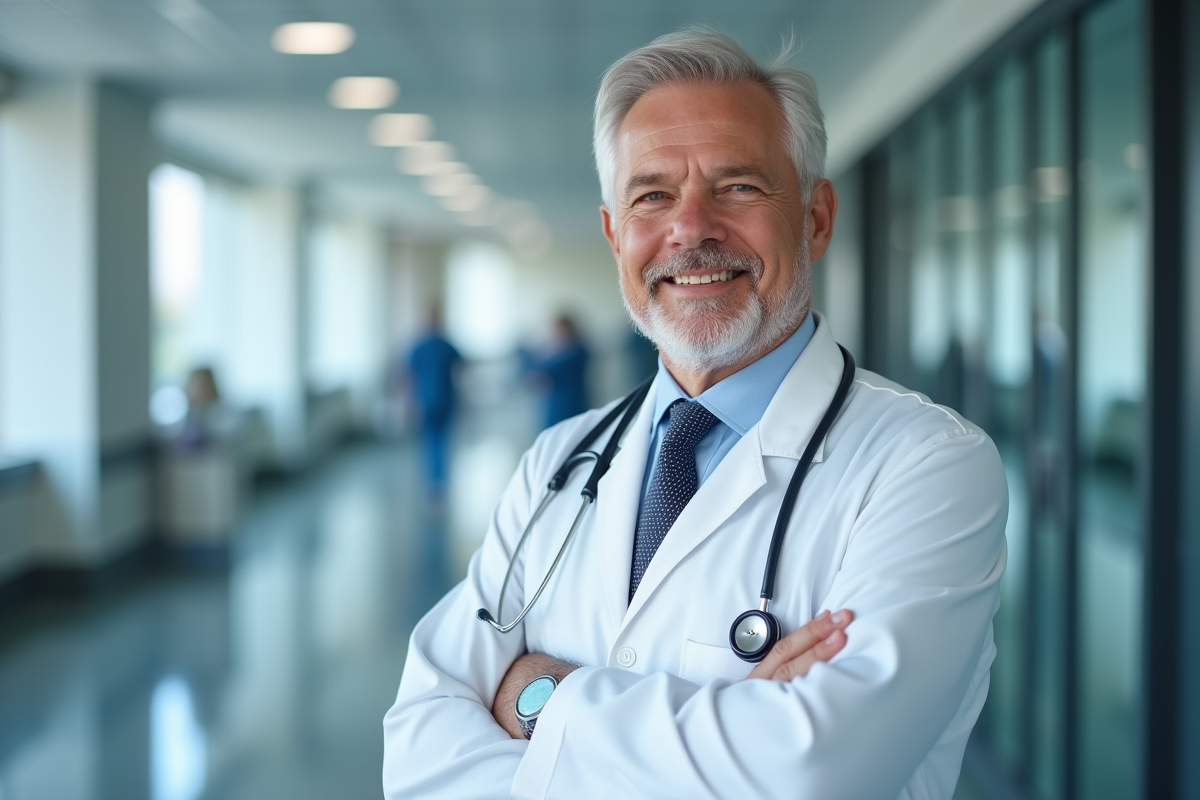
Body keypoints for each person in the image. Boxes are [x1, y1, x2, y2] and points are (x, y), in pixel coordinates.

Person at [383, 28, 1007, 800]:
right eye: (652, 195)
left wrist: (535, 695)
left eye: (738, 186)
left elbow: (812, 769)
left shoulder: (928, 465)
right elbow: (419, 744)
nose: (691, 228)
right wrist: (743, 721)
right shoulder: (559, 460)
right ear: (616, 236)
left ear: (815, 218)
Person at [405, 305, 462, 494]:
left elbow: (407, 377)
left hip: (428, 400)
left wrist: (410, 403)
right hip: (442, 399)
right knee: (440, 441)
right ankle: (439, 483)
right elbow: (462, 368)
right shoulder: (445, 345)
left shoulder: (418, 346)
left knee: (432, 442)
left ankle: (433, 483)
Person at [521, 313, 592, 429]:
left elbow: (542, 371)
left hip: (569, 405)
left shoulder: (576, 352)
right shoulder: (558, 352)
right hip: (555, 405)